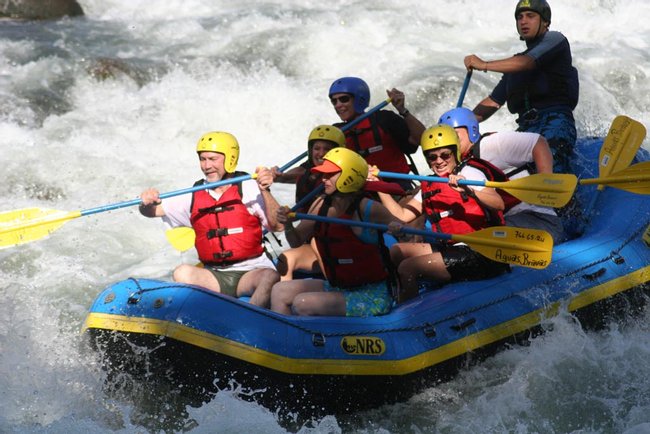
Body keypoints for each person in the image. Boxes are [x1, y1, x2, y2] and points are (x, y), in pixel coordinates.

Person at [139, 131, 283, 308]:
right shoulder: (194, 194)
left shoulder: (250, 187)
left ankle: (247, 320)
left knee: (270, 276)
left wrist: (265, 190)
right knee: (181, 272)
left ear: (230, 158)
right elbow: (153, 211)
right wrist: (146, 202)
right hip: (215, 275)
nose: (206, 166)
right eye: (202, 159)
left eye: (213, 159)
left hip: (252, 271)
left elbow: (278, 225)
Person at [369, 124, 510, 303]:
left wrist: (469, 189)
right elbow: (402, 215)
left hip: (483, 251)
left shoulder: (469, 172)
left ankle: (409, 315)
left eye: (445, 155)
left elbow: (499, 204)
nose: (439, 161)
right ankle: (402, 296)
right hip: (453, 248)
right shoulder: (430, 183)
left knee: (408, 267)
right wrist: (378, 185)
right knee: (397, 252)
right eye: (432, 157)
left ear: (455, 153)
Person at [271, 147, 399, 317]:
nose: (323, 179)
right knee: (280, 291)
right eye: (323, 175)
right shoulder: (320, 204)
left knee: (302, 304)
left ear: (349, 176)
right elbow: (296, 241)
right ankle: (284, 340)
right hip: (337, 286)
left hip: (372, 295)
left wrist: (399, 229)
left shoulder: (367, 208)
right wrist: (288, 225)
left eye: (329, 175)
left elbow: (406, 233)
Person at [464, 0, 579, 175]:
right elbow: (494, 102)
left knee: (548, 165)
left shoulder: (556, 40)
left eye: (530, 16)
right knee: (498, 171)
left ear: (545, 22)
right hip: (526, 129)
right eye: (519, 17)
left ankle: (567, 201)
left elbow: (527, 63)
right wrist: (462, 122)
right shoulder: (515, 64)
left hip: (555, 121)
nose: (523, 21)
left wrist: (484, 64)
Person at [438, 107, 565, 243]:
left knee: (479, 238)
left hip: (539, 220)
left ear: (471, 131)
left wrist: (545, 178)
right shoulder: (454, 162)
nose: (451, 140)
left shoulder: (491, 144)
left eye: (455, 134)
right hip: (508, 220)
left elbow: (539, 143)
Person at [328, 76, 426, 189]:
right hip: (358, 190)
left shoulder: (384, 119)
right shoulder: (337, 132)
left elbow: (420, 139)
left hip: (396, 187)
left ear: (359, 99)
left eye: (344, 99)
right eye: (334, 101)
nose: (338, 105)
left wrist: (402, 110)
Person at [271, 124, 345, 211]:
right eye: (317, 149)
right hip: (307, 219)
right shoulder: (309, 167)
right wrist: (277, 175)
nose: (321, 154)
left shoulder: (343, 174)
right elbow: (286, 177)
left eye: (327, 149)